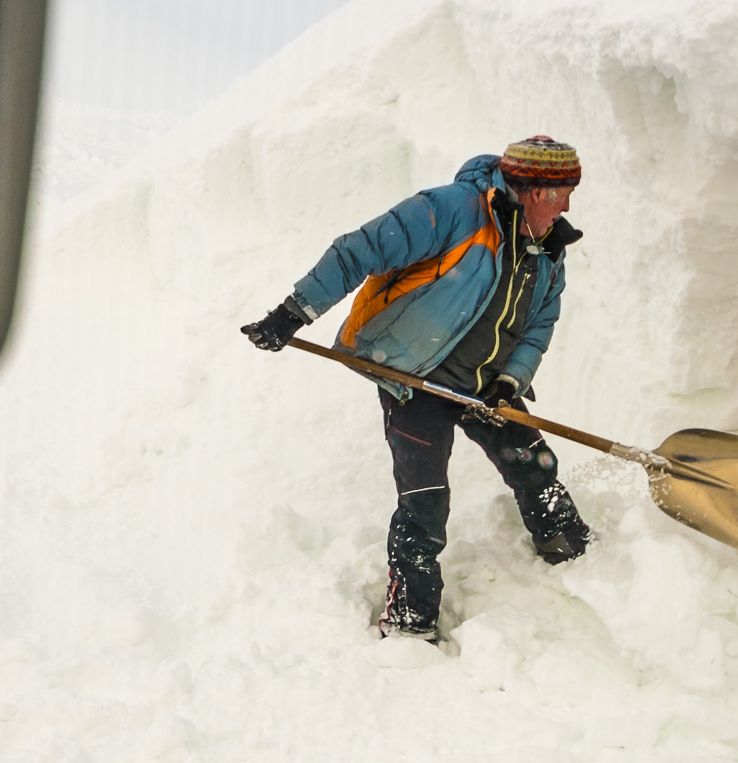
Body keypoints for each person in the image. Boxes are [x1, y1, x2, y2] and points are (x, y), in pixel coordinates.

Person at [241, 138, 591, 640]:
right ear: (534, 191)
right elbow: (358, 249)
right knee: (425, 502)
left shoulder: (549, 249)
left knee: (532, 462)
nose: (568, 205)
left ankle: (571, 548)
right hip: (415, 377)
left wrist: (511, 381)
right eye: (562, 193)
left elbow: (540, 324)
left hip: (484, 385)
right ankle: (410, 620)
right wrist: (293, 314)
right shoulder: (454, 210)